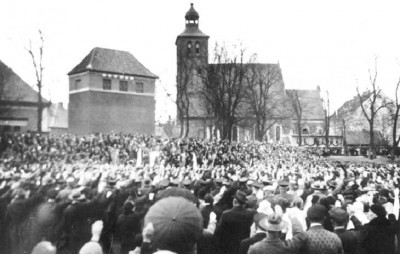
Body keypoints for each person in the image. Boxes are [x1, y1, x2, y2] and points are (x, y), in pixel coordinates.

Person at [211, 190, 255, 254]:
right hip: (241, 247)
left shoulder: (226, 214)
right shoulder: (250, 215)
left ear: (234, 201)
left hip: (227, 246)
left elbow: (219, 232)